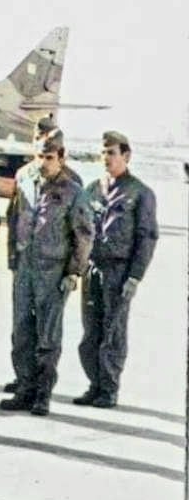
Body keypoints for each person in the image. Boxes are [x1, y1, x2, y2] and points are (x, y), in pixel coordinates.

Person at [1, 130, 94, 415]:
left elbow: (84, 235)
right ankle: (25, 388)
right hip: (25, 268)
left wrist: (73, 272)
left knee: (47, 336)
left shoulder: (73, 190)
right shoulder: (24, 177)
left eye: (49, 157)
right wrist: (13, 259)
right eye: (39, 155)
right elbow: (14, 217)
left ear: (61, 158)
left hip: (53, 272)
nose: (43, 162)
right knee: (21, 332)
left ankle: (43, 394)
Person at [75, 131, 157, 408]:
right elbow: (81, 230)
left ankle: (108, 389)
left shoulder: (140, 193)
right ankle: (94, 384)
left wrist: (135, 276)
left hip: (119, 271)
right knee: (90, 332)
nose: (106, 158)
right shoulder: (92, 189)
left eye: (111, 152)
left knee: (113, 332)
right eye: (103, 153)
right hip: (93, 269)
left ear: (126, 156)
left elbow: (147, 238)